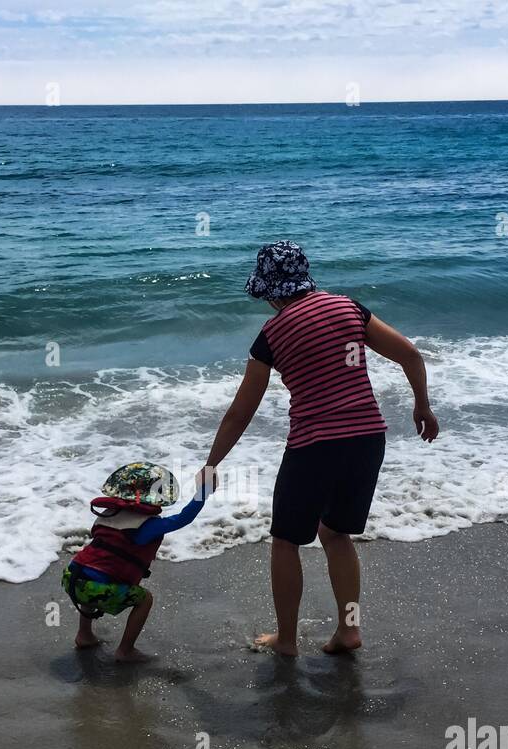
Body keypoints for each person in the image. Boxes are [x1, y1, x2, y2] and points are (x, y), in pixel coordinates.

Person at [200, 240, 439, 657]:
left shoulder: (271, 336)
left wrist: (212, 463)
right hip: (367, 438)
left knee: (286, 540)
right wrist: (422, 406)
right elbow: (411, 356)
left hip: (315, 445)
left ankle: (288, 641)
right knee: (335, 533)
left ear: (270, 291)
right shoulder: (349, 308)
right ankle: (349, 631)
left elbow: (241, 412)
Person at [63, 462, 208, 663]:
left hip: (72, 579)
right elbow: (185, 517)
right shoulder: (148, 526)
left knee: (92, 576)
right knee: (144, 599)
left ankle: (84, 634)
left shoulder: (107, 515)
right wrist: (205, 490)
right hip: (96, 589)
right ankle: (126, 650)